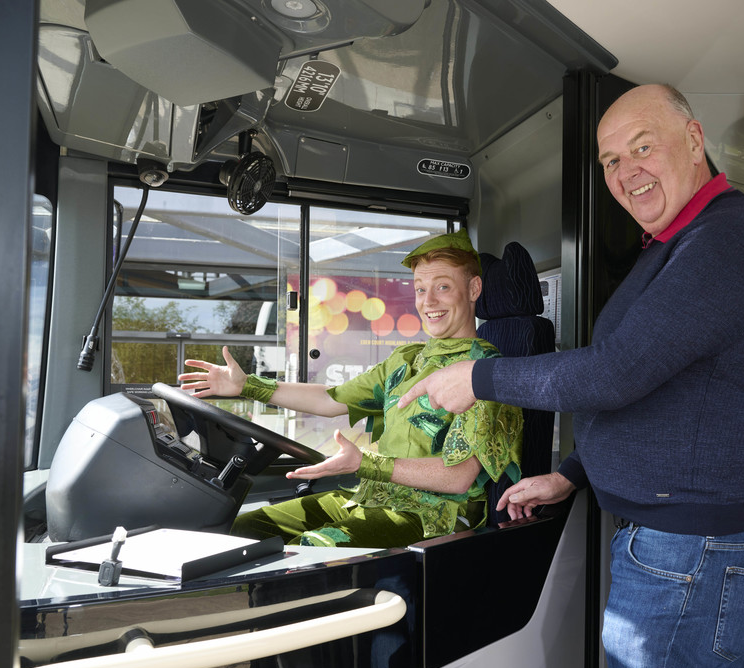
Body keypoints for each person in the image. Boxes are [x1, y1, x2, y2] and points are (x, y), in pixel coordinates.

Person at [397, 84, 744, 668]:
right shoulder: (675, 247)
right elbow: (656, 389)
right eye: (611, 160)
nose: (626, 171)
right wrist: (570, 475)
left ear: (695, 140)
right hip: (690, 544)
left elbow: (615, 373)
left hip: (690, 550)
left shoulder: (729, 242)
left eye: (643, 147)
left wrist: (479, 377)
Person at [177, 229, 523, 549]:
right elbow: (332, 399)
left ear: (474, 289)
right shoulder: (407, 358)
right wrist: (247, 385)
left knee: (310, 551)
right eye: (420, 289)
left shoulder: (485, 372)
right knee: (237, 530)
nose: (428, 301)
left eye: (443, 287)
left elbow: (459, 477)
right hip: (369, 497)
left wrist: (365, 463)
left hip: (433, 516)